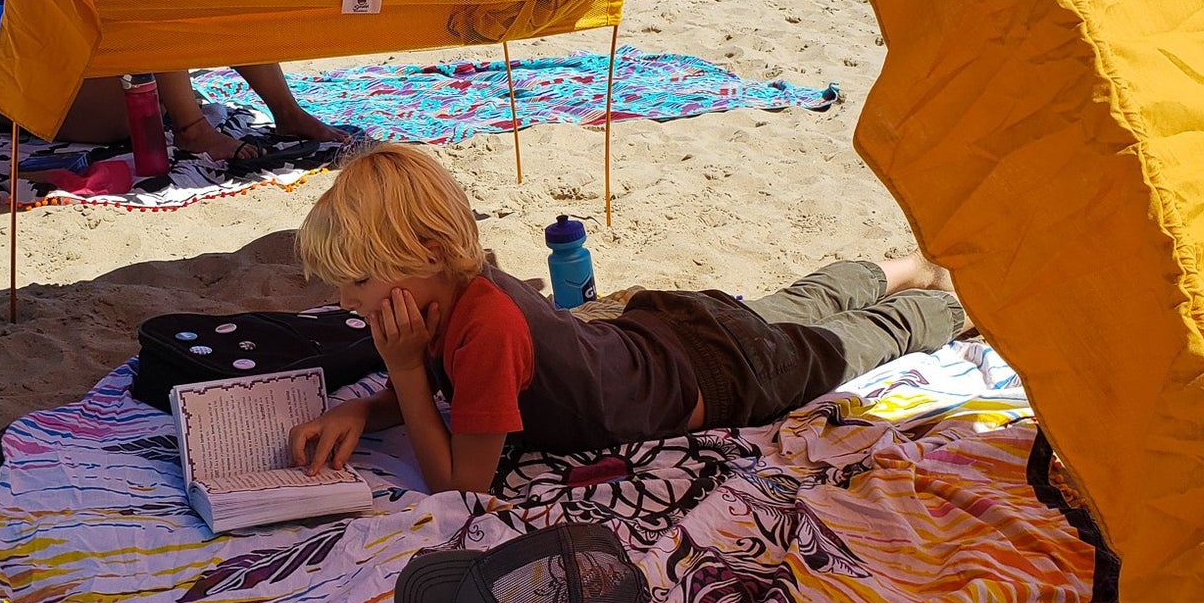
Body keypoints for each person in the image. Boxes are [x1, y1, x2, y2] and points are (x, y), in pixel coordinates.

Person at [290, 143, 970, 496]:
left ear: (428, 255)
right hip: (675, 329)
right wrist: (363, 411)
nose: (348, 300)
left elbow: (460, 485)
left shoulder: (485, 329)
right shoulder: (460, 289)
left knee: (844, 343)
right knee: (797, 305)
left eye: (357, 280)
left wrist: (403, 374)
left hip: (723, 373)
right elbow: (450, 397)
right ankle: (905, 264)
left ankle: (954, 298)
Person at [56, 66, 347, 159]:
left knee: (219, 0)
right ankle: (192, 130)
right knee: (153, 6)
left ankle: (288, 113)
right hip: (56, 96)